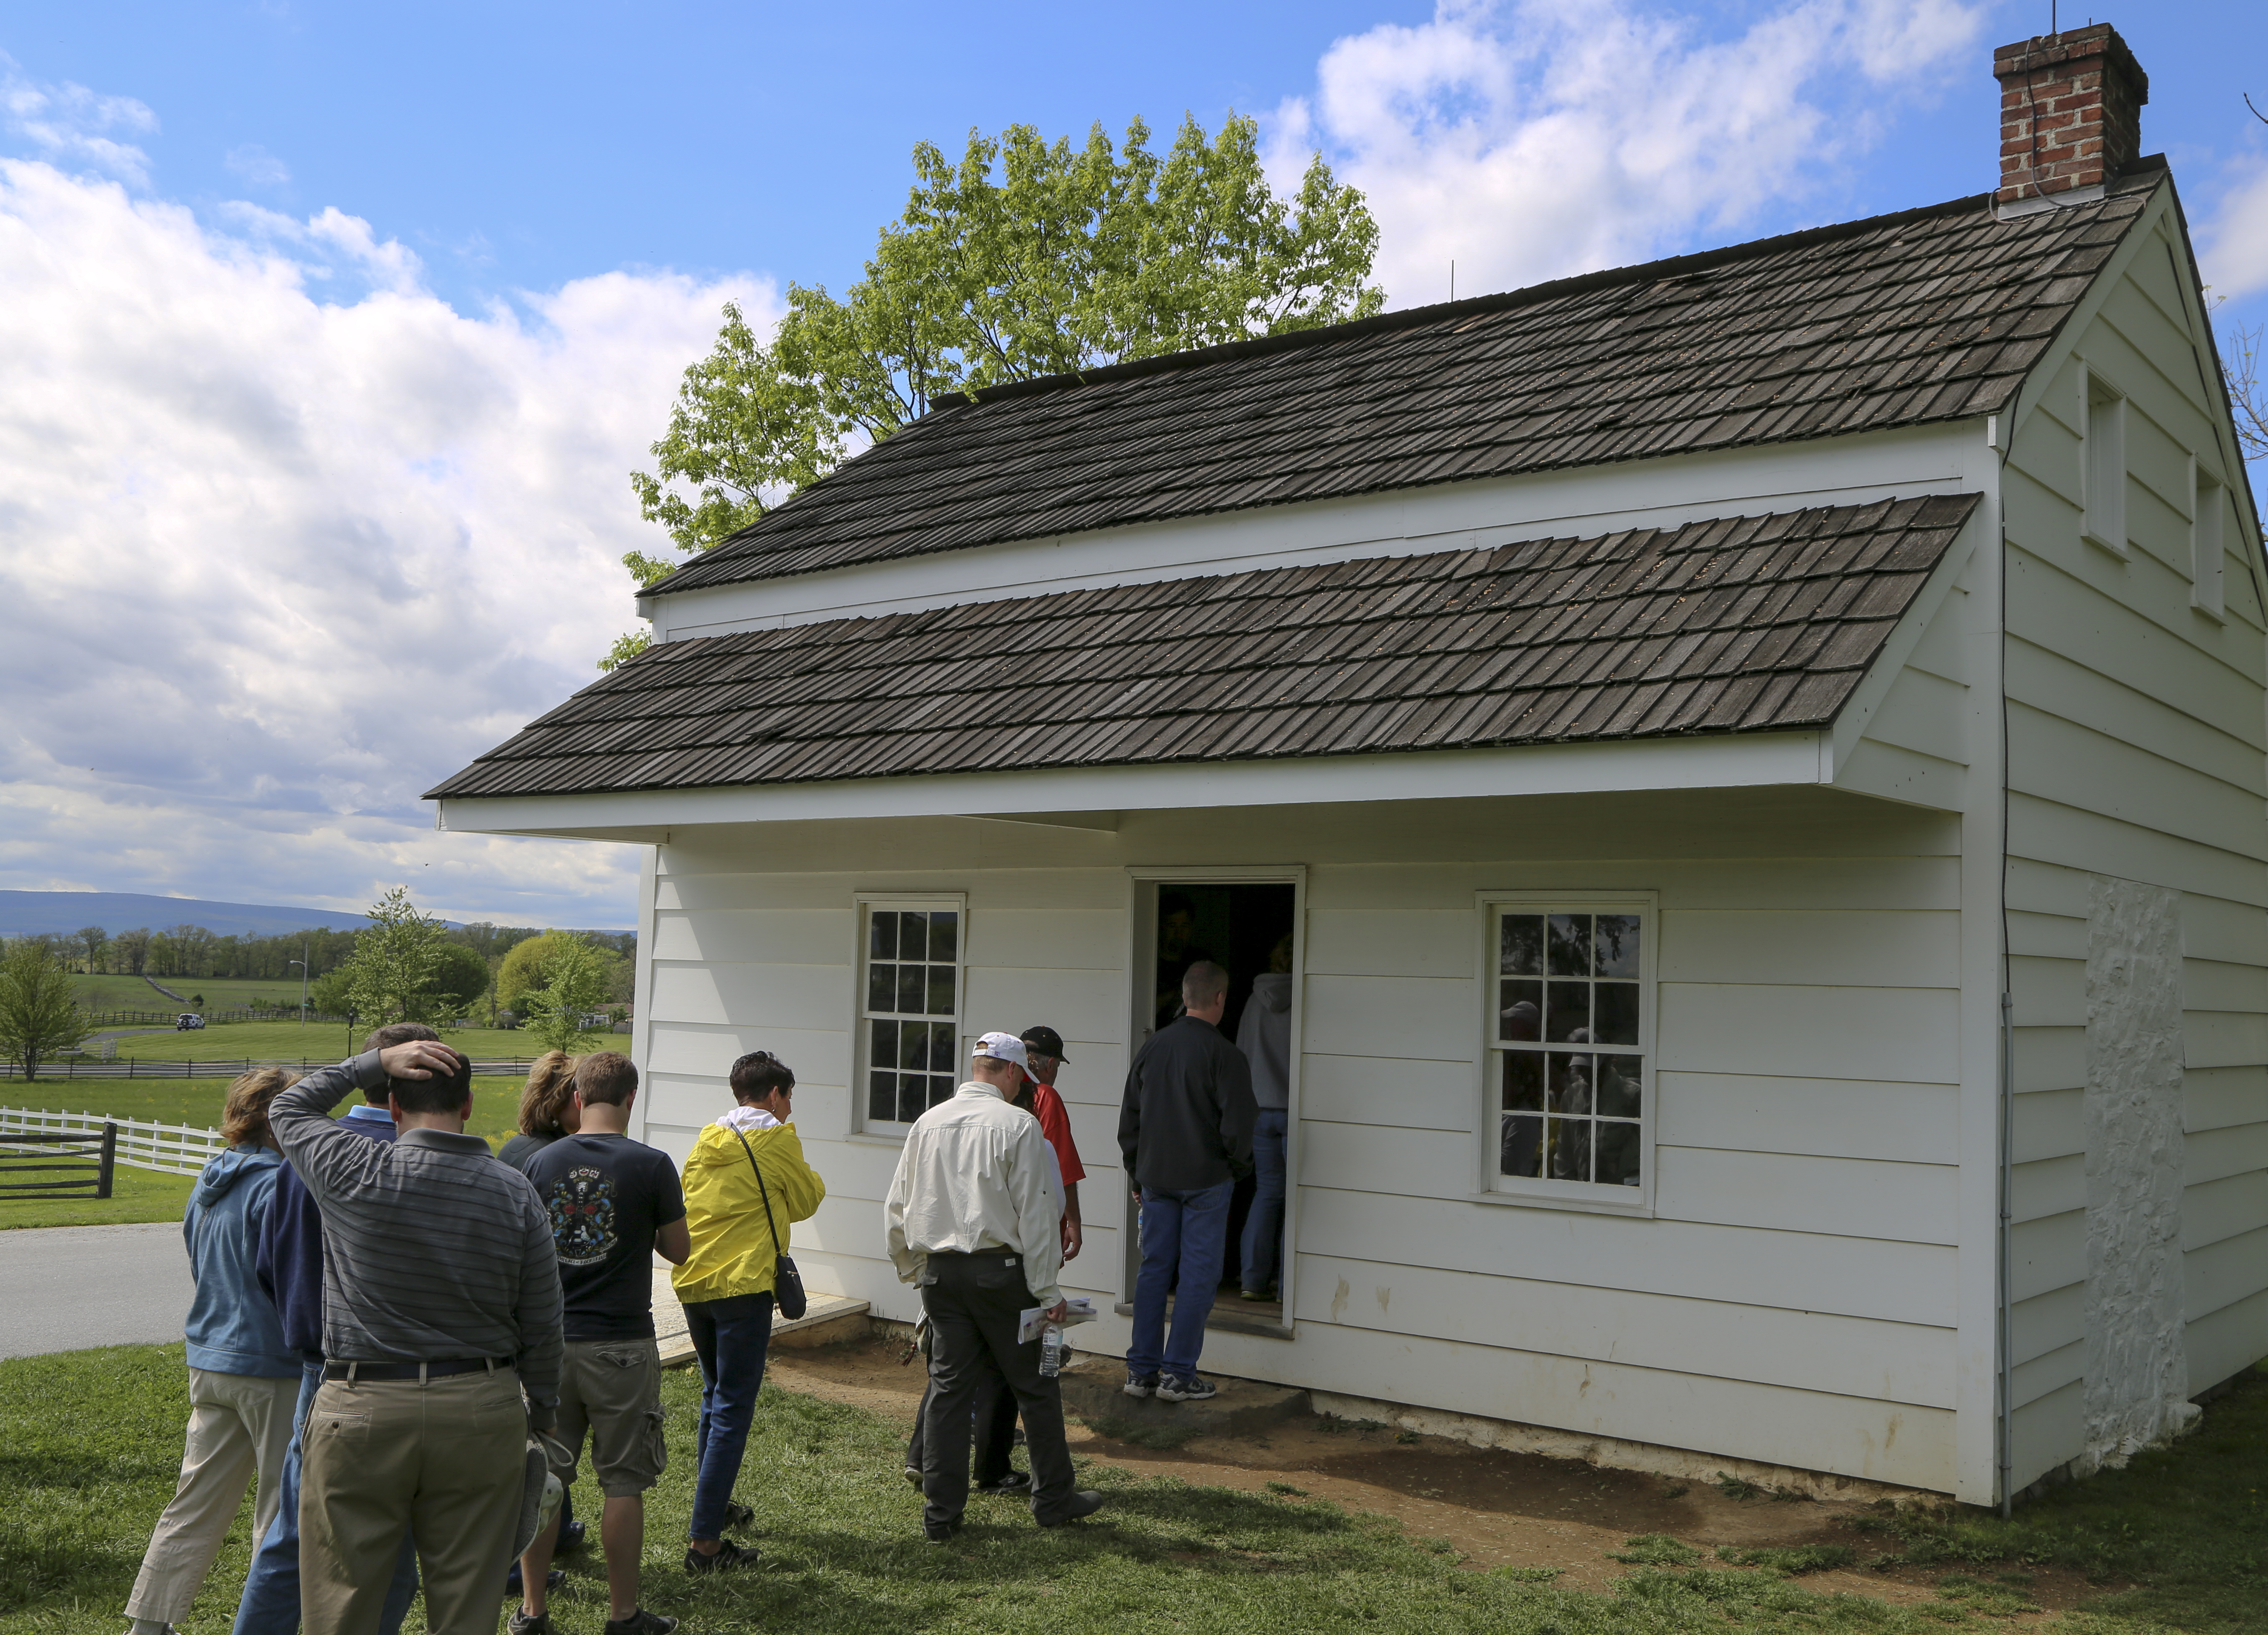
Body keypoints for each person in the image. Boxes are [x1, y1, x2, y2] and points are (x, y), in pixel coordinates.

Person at [269, 1036, 563, 1635]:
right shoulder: (515, 1192)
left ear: (394, 1108)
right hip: (481, 1406)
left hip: (360, 1407)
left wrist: (371, 1064)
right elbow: (543, 1318)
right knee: (467, 1605)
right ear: (470, 1104)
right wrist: (543, 1409)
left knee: (340, 1601)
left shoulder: (352, 1165)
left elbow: (286, 1109)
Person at [234, 1027, 438, 1635]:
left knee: (293, 1533)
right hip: (392, 1374)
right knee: (398, 1537)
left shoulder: (306, 1149)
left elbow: (269, 1262)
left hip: (313, 1364)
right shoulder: (416, 1163)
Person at [884, 1033, 1103, 1542]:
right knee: (1036, 1386)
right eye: (1020, 1078)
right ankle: (1053, 1500)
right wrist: (1048, 1292)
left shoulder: (928, 1122)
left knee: (949, 1392)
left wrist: (911, 1269)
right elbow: (1038, 1216)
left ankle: (941, 1515)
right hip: (1000, 1274)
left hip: (939, 1275)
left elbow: (897, 1208)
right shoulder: (1019, 1125)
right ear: (1009, 1072)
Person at [514, 1052, 688, 1635]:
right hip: (621, 1345)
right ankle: (623, 1616)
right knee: (623, 1482)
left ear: (578, 1097)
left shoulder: (540, 1163)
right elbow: (679, 1250)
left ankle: (532, 1611)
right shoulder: (653, 1164)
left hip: (550, 1345)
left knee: (544, 1480)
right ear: (632, 1099)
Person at [123, 1070, 301, 1635]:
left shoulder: (209, 1179)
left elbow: (200, 1263)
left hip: (210, 1357)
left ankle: (148, 1625)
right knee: (278, 1510)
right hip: (271, 1365)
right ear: (278, 1120)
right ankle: (264, 1626)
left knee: (193, 1503)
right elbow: (289, 1282)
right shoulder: (280, 1186)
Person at [671, 1050, 825, 1572]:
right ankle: (705, 1544)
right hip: (744, 1287)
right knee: (734, 1408)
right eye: (788, 1098)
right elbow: (807, 1199)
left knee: (715, 1397)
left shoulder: (705, 1141)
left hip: (695, 1285)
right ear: (777, 1094)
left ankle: (715, 1508)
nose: (788, 1109)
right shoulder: (777, 1139)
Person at [1118, 961, 1257, 1403]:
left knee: (1154, 1271)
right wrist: (1235, 1169)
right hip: (1206, 1180)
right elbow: (1239, 1126)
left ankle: (1141, 1373)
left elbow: (1130, 1118)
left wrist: (1136, 1170)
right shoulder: (1226, 1055)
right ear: (1220, 999)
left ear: (1183, 997)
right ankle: (1177, 1376)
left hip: (1156, 1176)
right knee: (1198, 1276)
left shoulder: (1153, 1047)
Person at [498, 1049, 588, 1586]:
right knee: (537, 1436)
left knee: (546, 1432)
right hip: (537, 1314)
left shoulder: (513, 1149)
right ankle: (517, 1557)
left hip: (513, 1308)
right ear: (562, 1104)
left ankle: (563, 1523)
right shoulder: (554, 1158)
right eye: (583, 1097)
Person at [1234, 938, 1294, 1302]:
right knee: (1298, 1200)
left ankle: (1252, 1281)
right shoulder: (1305, 998)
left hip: (1259, 1110)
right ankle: (1288, 1287)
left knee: (1267, 1194)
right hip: (1295, 1110)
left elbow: (1241, 1054)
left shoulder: (1254, 1000)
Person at [500, 1051, 581, 1173]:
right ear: (556, 1103)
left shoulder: (516, 1145)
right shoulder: (555, 1158)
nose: (587, 1103)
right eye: (580, 1095)